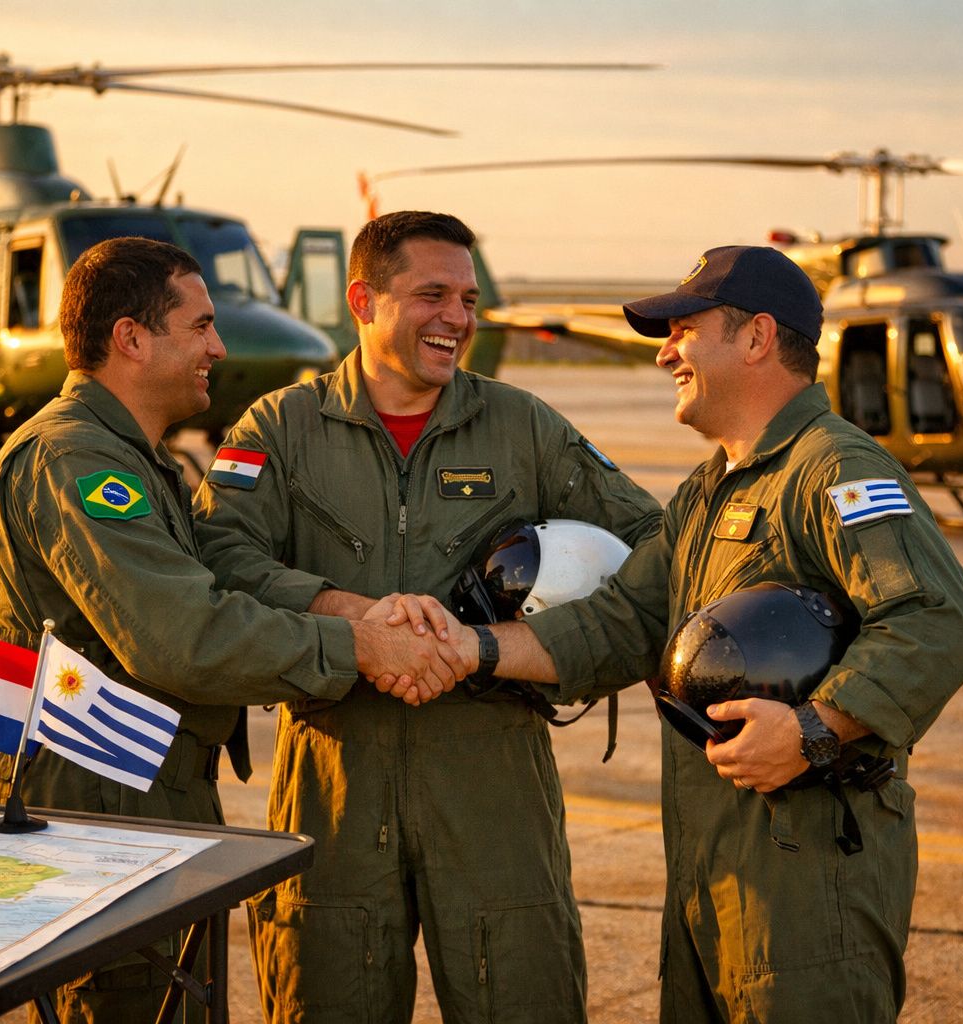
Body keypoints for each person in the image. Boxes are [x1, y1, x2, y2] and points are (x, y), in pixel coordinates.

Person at [449, 245, 963, 1022]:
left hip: (806, 880)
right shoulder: (710, 488)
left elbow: (937, 620)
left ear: (758, 337)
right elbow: (623, 620)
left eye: (684, 329)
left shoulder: (832, 469)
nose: (665, 351)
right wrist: (469, 649)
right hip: (713, 872)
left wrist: (814, 728)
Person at [0, 235, 465, 1023]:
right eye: (200, 326)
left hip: (144, 793)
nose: (219, 346)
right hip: (101, 806)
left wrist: (357, 611)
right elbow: (184, 633)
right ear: (131, 339)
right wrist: (368, 647)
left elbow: (226, 579)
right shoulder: (76, 461)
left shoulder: (138, 460)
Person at [192, 211, 662, 1023]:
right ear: (364, 301)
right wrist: (359, 623)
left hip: (494, 781)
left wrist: (494, 647)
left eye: (470, 299)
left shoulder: (524, 426)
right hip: (333, 780)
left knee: (523, 996)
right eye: (432, 294)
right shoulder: (279, 429)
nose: (458, 319)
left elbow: (652, 547)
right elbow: (218, 558)